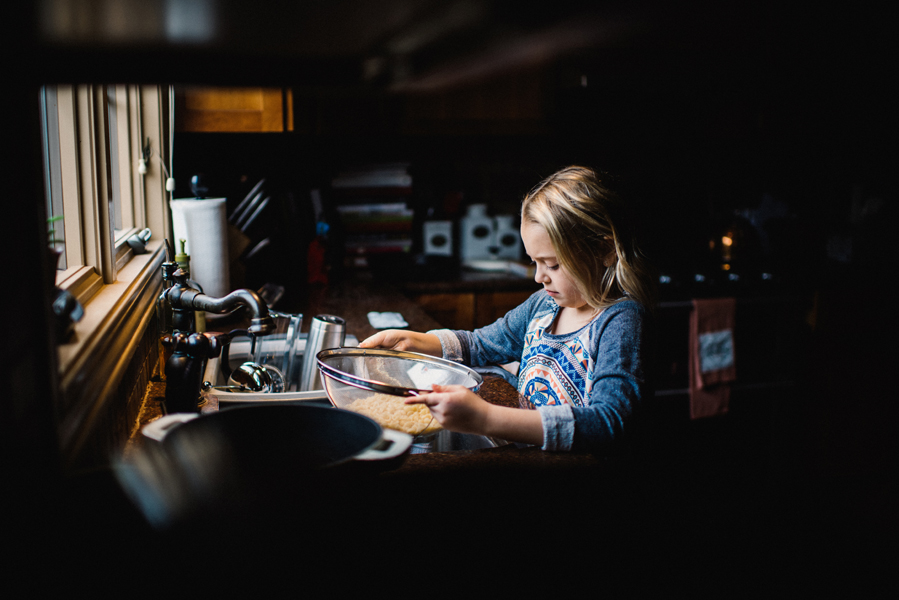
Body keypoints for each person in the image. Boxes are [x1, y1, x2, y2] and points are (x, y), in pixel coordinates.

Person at [359, 166, 656, 453]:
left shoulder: (621, 320)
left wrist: (485, 418)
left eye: (553, 264)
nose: (540, 276)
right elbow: (482, 344)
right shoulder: (544, 304)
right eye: (534, 262)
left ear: (605, 251)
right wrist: (416, 341)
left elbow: (609, 422)